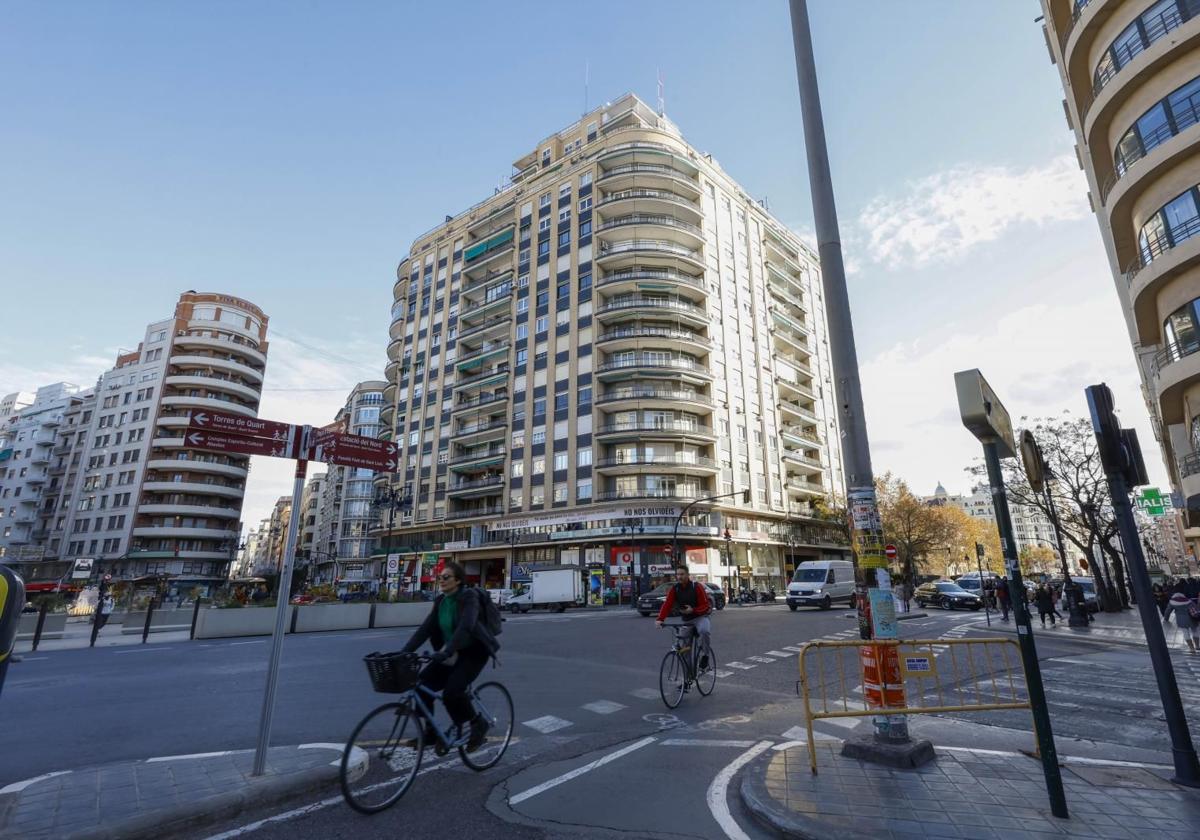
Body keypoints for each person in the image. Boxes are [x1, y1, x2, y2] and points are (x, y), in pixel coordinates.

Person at [402, 560, 499, 751]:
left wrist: (446, 651)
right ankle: (430, 733)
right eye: (440, 577)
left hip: (473, 652)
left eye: (446, 577)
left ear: (458, 581)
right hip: (451, 651)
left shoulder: (468, 597)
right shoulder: (441, 601)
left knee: (452, 692)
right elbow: (426, 629)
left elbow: (466, 627)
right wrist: (404, 652)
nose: (442, 580)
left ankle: (477, 724)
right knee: (421, 685)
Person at [655, 566, 712, 671]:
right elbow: (667, 604)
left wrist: (693, 610)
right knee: (684, 651)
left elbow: (706, 605)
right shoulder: (675, 589)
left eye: (682, 574)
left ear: (687, 575)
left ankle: (705, 656)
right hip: (687, 620)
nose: (679, 577)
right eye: (678, 574)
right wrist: (660, 619)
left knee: (704, 631)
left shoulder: (696, 587)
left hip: (700, 617)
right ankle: (688, 679)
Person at [1164, 585, 1200, 654]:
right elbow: (1196, 609)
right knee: (1195, 631)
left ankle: (1191, 648)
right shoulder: (1188, 600)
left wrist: (1166, 618)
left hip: (1181, 620)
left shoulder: (1172, 601)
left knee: (1186, 633)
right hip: (1192, 619)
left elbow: (1167, 611)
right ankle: (1197, 646)